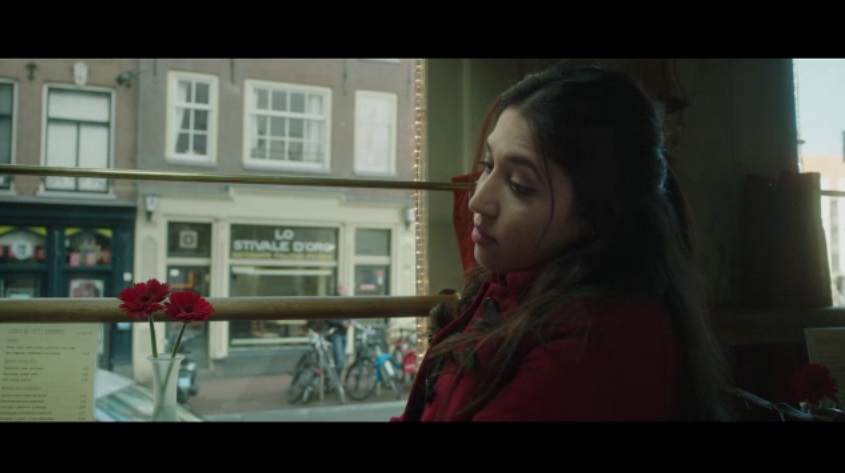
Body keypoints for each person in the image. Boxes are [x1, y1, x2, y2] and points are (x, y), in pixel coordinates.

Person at [392, 62, 733, 422]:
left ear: (598, 214)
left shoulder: (601, 340)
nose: (477, 201)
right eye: (488, 165)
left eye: (519, 186)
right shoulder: (513, 286)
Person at [324, 284, 351, 378]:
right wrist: (341, 323)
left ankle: (336, 379)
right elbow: (329, 318)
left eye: (345, 289)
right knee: (340, 360)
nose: (344, 291)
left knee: (341, 360)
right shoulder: (333, 301)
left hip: (344, 333)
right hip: (336, 334)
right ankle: (336, 379)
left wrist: (349, 322)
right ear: (338, 290)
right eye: (342, 289)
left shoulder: (347, 302)